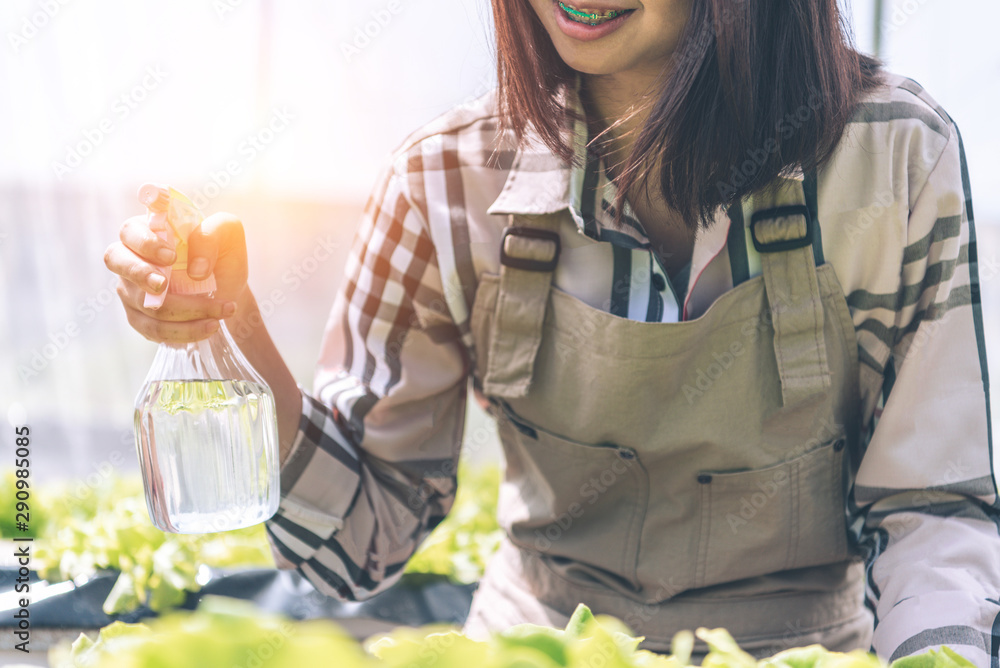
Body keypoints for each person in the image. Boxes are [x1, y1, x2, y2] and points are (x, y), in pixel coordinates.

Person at [104, 0, 1000, 665]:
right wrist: (234, 328)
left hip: (803, 650)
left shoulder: (890, 156)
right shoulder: (443, 179)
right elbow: (353, 542)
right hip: (536, 647)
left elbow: (934, 509)